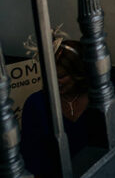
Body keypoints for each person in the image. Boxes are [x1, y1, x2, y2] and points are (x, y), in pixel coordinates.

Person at [20, 39, 91, 177]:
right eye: (49, 75)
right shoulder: (36, 104)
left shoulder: (99, 97)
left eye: (60, 76)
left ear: (78, 74)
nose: (53, 82)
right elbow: (32, 158)